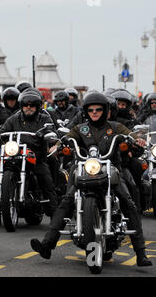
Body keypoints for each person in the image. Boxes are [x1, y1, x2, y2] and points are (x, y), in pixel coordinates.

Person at [30, 92, 152, 267]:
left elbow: (131, 135)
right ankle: (47, 245)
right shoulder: (81, 129)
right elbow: (68, 137)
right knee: (66, 201)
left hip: (110, 170)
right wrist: (60, 142)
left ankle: (141, 253)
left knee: (128, 201)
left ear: (106, 111)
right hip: (85, 170)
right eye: (91, 110)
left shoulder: (116, 128)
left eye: (98, 109)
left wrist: (137, 140)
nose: (94, 112)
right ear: (86, 111)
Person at [0, 89, 58, 225]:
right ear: (21, 106)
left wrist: (47, 134)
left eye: (32, 105)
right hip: (16, 156)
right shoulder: (15, 118)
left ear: (37, 106)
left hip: (36, 157)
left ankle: (55, 217)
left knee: (46, 181)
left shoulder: (44, 118)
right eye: (25, 105)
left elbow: (51, 130)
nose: (28, 108)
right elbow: (3, 131)